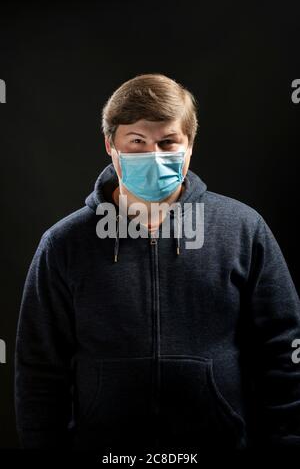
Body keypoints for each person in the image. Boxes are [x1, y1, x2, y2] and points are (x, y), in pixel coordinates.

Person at [15, 73, 300, 452]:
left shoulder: (243, 229)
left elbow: (284, 349)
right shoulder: (64, 244)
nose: (153, 155)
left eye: (168, 142)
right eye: (137, 142)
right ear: (110, 146)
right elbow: (39, 367)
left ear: (190, 146)